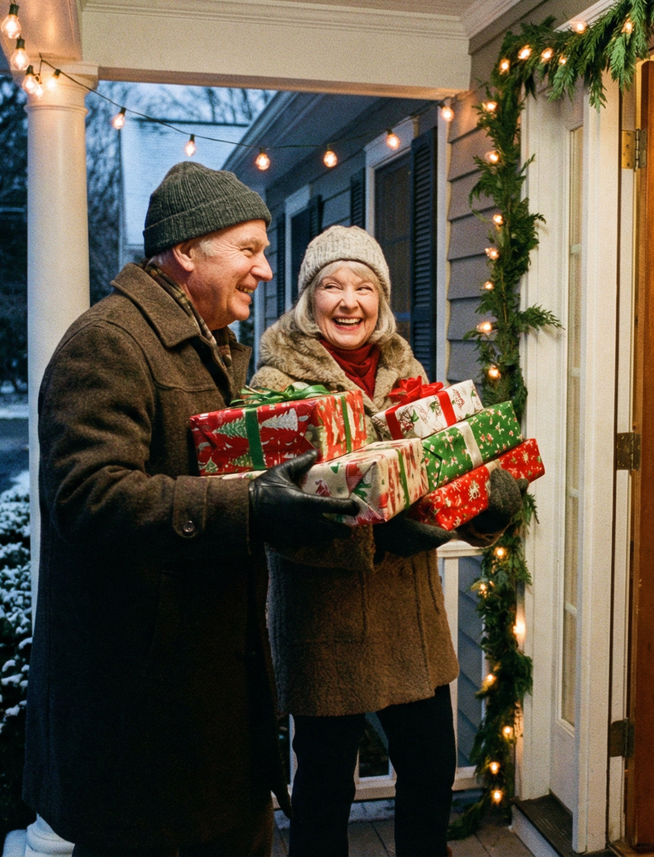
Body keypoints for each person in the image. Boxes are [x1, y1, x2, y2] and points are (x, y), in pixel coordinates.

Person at [25, 162, 361, 857]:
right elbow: (88, 497)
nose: (265, 271)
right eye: (249, 250)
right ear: (187, 251)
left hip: (209, 710)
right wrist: (251, 503)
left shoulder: (211, 349)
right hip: (140, 725)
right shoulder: (108, 342)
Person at [250, 225, 524, 857]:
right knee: (323, 783)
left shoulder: (412, 373)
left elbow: (445, 473)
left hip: (409, 621)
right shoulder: (275, 389)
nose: (349, 301)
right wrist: (375, 529)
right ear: (307, 299)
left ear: (382, 299)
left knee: (428, 767)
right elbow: (275, 518)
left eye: (364, 287)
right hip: (327, 620)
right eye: (332, 286)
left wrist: (477, 505)